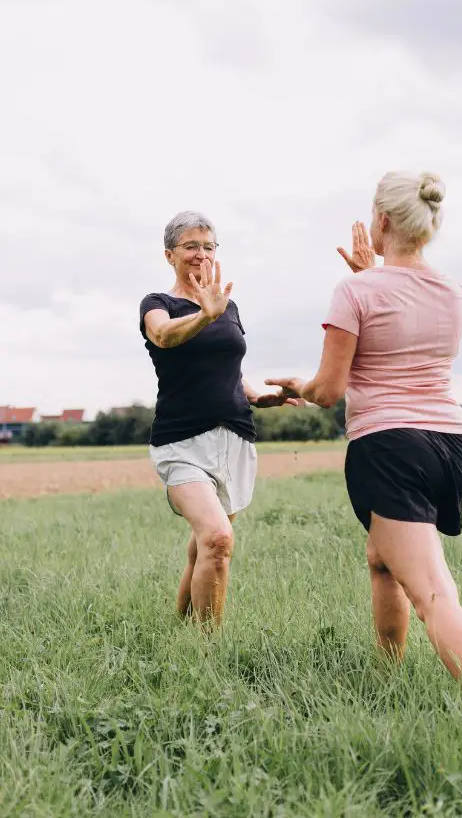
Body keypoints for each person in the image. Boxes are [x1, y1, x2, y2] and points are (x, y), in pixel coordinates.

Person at [266, 172, 462, 708]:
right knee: (382, 557)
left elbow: (327, 391)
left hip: (390, 446)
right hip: (451, 444)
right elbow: (406, 323)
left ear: (383, 221)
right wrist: (371, 277)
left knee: (434, 595)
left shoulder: (354, 291)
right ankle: (387, 678)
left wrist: (291, 387)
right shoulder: (453, 291)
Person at [140, 210, 297, 625]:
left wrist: (263, 398)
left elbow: (230, 370)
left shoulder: (228, 306)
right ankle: (208, 655)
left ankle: (181, 631)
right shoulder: (158, 304)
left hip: (234, 436)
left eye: (208, 247)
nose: (200, 254)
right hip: (181, 441)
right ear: (170, 254)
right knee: (218, 538)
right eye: (191, 246)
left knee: (203, 547)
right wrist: (204, 315)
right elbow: (163, 335)